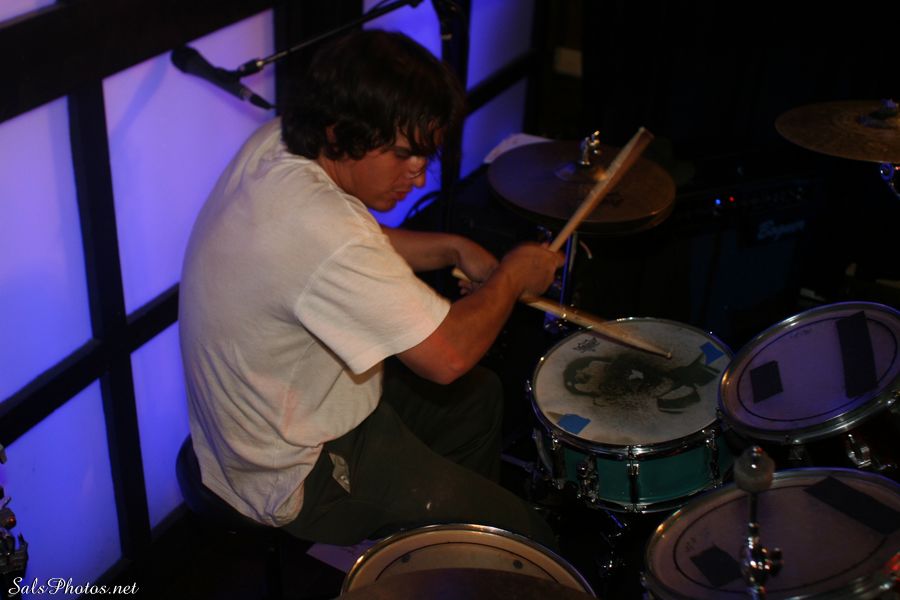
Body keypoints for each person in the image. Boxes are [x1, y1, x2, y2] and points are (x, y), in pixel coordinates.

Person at [178, 29, 563, 550]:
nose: (418, 179)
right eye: (405, 156)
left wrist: (452, 248)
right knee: (523, 536)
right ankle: (463, 543)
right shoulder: (323, 228)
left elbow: (353, 245)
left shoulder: (281, 144)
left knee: (478, 399)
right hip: (289, 468)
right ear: (340, 134)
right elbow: (447, 357)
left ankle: (444, 550)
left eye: (424, 159)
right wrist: (512, 276)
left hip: (266, 411)